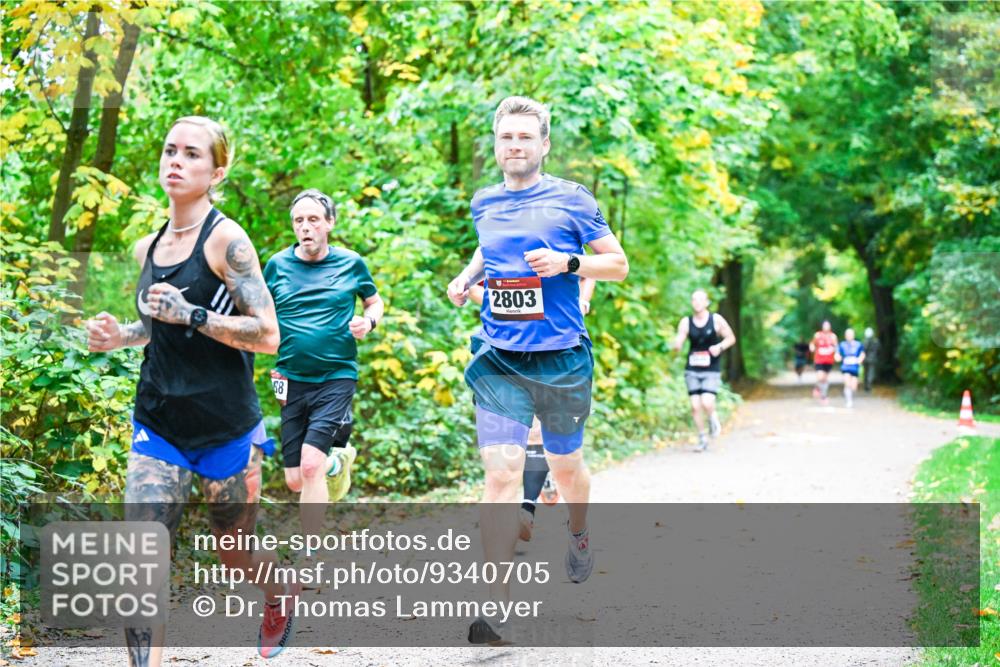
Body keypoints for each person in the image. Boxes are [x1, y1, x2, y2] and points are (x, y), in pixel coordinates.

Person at [84, 116, 297, 664]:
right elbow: (156, 328)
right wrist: (118, 336)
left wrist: (194, 313)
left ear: (216, 170)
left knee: (235, 552)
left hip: (225, 426)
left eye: (192, 154)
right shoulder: (146, 247)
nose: (176, 161)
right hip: (159, 422)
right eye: (170, 150)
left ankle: (279, 593)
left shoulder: (227, 241)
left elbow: (269, 335)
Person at [447, 96, 628, 644]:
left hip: (560, 357)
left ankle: (578, 530)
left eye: (526, 137)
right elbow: (488, 249)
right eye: (507, 138)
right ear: (497, 144)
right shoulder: (484, 201)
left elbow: (617, 264)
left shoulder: (572, 200)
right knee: (501, 474)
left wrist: (569, 263)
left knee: (565, 466)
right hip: (499, 354)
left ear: (544, 144)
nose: (515, 146)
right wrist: (465, 277)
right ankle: (496, 608)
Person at [263, 189, 383, 557]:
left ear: (329, 223)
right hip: (289, 377)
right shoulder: (276, 266)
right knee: (296, 478)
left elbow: (373, 301)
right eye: (299, 220)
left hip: (336, 374)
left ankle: (308, 552)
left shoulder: (350, 263)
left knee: (310, 465)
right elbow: (258, 313)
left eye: (314, 219)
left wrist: (370, 321)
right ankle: (338, 460)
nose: (306, 227)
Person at [468, 277, 596, 542]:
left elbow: (589, 271)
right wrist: (512, 309)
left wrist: (581, 300)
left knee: (546, 442)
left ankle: (546, 488)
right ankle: (527, 507)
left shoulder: (559, 239)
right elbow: (471, 286)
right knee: (516, 448)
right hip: (508, 352)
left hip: (558, 351)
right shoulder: (499, 241)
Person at [671, 290, 737, 452]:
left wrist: (719, 347)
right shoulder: (686, 322)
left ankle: (713, 418)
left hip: (711, 368)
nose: (697, 302)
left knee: (707, 401)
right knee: (695, 406)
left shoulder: (716, 320)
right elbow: (679, 339)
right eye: (694, 299)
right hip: (692, 368)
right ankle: (702, 437)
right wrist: (676, 346)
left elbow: (731, 338)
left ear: (707, 302)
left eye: (700, 299)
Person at [809, 320, 838, 405]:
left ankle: (824, 396)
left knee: (825, 379)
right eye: (824, 325)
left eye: (827, 325)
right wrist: (812, 348)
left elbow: (836, 346)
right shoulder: (818, 335)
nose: (826, 327)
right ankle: (817, 388)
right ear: (822, 326)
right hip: (819, 359)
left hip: (829, 360)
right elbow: (812, 344)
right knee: (820, 377)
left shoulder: (833, 336)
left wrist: (836, 354)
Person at [836, 328, 865, 408]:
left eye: (850, 334)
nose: (849, 336)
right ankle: (848, 400)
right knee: (847, 383)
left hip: (855, 367)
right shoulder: (842, 344)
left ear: (853, 335)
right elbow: (837, 354)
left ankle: (851, 397)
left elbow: (862, 354)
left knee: (854, 386)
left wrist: (860, 359)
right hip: (845, 367)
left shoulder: (858, 344)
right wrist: (837, 357)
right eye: (848, 334)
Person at [862, 327, 880, 392]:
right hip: (872, 359)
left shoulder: (865, 341)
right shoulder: (876, 341)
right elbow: (878, 350)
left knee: (866, 373)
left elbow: (863, 350)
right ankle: (868, 386)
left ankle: (866, 386)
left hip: (866, 359)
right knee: (870, 373)